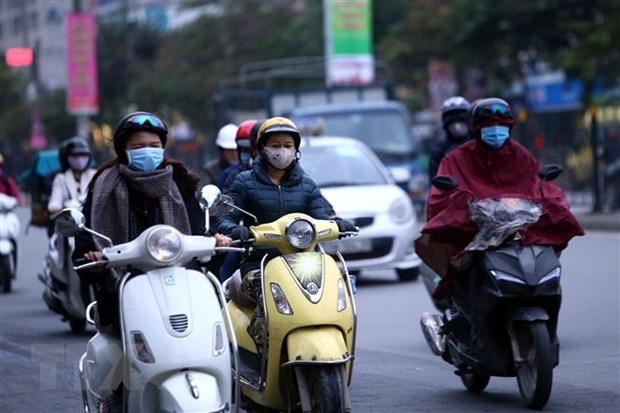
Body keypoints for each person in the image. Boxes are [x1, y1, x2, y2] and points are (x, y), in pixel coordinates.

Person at [74, 111, 231, 413]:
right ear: (123, 151)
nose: (147, 150)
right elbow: (84, 243)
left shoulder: (182, 183)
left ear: (163, 147)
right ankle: (115, 399)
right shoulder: (103, 187)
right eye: (138, 146)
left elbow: (200, 230)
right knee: (117, 353)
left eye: (153, 144)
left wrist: (217, 240)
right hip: (122, 287)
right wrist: (91, 257)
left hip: (182, 284)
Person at [415, 98, 584, 344]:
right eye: (488, 126)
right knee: (466, 270)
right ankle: (469, 327)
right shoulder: (456, 159)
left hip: (518, 231)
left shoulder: (521, 155)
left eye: (502, 126)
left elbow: (539, 185)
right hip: (476, 234)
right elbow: (441, 196)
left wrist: (550, 201)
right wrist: (464, 208)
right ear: (476, 129)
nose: (496, 132)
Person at [213, 116, 356, 352]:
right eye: (276, 146)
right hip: (259, 264)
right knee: (270, 303)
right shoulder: (243, 182)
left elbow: (322, 217)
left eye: (288, 146)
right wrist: (235, 229)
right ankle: (265, 350)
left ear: (296, 150)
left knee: (337, 287)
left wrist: (338, 225)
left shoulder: (307, 185)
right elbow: (222, 217)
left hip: (304, 263)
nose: (282, 152)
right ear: (262, 149)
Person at [428, 96, 472, 182]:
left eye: (461, 119)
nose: (457, 125)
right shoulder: (439, 149)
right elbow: (434, 180)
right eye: (452, 121)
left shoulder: (478, 142)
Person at [48, 137, 96, 214]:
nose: (79, 159)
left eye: (83, 155)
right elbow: (55, 202)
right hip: (68, 220)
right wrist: (64, 207)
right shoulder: (61, 178)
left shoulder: (94, 175)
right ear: (66, 158)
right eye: (75, 156)